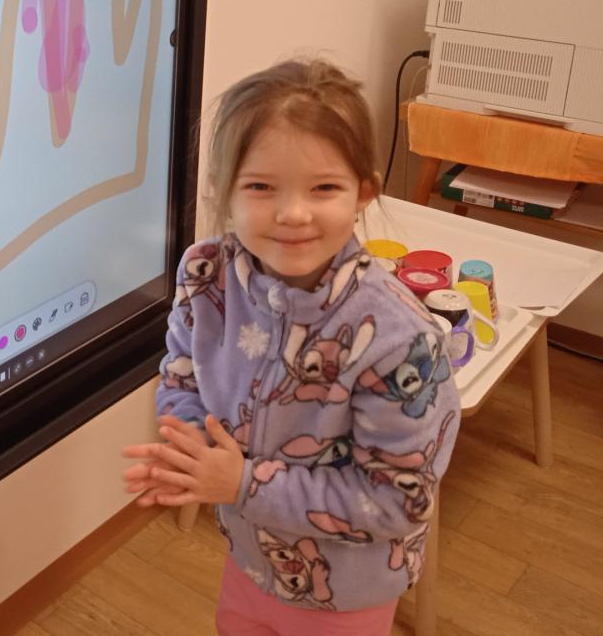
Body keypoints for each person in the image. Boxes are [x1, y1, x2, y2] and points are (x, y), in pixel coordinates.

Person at [123, 59, 459, 635]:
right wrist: (192, 447)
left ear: (364, 192)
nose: (293, 213)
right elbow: (182, 373)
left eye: (324, 187)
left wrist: (240, 483)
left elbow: (398, 501)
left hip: (348, 590)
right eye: (260, 186)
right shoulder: (206, 274)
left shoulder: (400, 341)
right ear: (223, 189)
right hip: (250, 557)